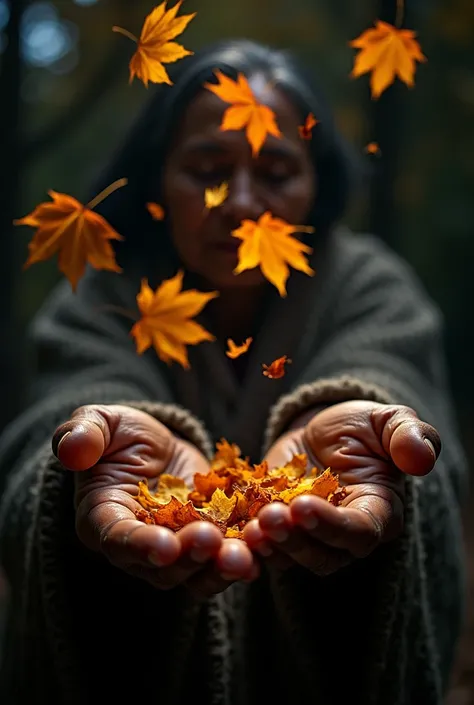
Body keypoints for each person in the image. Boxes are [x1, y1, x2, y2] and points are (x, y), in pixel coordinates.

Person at [0, 38, 468, 705]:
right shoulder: (105, 293)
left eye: (277, 172)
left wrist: (352, 418)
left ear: (316, 184)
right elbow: (70, 398)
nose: (241, 201)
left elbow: (387, 366)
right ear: (160, 178)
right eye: (206, 166)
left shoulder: (372, 287)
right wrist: (102, 445)